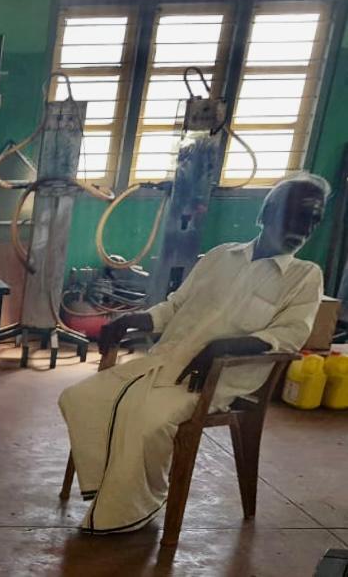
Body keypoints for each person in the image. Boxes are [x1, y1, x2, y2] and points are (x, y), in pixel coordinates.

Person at [59, 174, 329, 534]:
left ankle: (134, 507)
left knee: (148, 419)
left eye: (313, 219)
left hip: (219, 380)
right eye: (296, 214)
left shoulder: (304, 277)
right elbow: (175, 306)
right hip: (167, 360)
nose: (303, 227)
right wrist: (133, 319)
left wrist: (224, 345)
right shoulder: (221, 257)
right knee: (80, 397)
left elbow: (290, 335)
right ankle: (110, 488)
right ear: (266, 213)